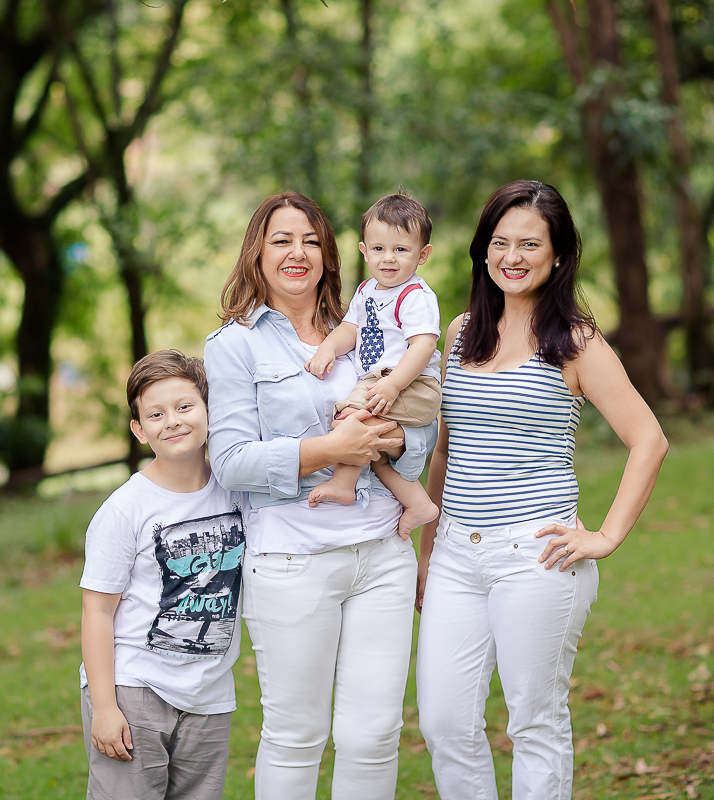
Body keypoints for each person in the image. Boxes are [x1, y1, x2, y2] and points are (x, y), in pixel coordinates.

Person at [415, 180, 669, 800]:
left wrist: (606, 536)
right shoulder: (459, 333)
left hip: (537, 554)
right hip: (454, 552)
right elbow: (446, 452)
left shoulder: (575, 343)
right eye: (500, 242)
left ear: (557, 256)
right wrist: (427, 552)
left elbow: (649, 438)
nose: (512, 256)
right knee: (445, 723)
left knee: (534, 721)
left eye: (530, 243)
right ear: (482, 251)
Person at [204, 191, 434, 800]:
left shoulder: (369, 329)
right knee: (295, 735)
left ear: (331, 255)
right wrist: (330, 451)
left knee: (374, 735)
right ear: (257, 253)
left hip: (382, 555)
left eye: (310, 240)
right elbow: (229, 463)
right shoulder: (234, 345)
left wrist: (384, 440)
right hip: (292, 562)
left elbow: (418, 434)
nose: (297, 253)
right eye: (281, 240)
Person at [79, 350, 246, 800]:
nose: (172, 421)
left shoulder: (239, 491)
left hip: (210, 692)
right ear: (139, 429)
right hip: (136, 688)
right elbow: (96, 612)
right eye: (156, 414)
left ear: (211, 409)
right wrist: (105, 706)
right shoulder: (124, 509)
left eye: (185, 407)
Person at [304, 192, 442, 537]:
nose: (389, 259)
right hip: (382, 381)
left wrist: (393, 384)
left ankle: (342, 483)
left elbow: (423, 345)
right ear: (364, 250)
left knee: (352, 420)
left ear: (422, 254)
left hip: (412, 383)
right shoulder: (367, 291)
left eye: (401, 250)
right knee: (374, 451)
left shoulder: (415, 296)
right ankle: (418, 503)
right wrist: (327, 350)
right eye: (379, 249)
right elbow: (350, 330)